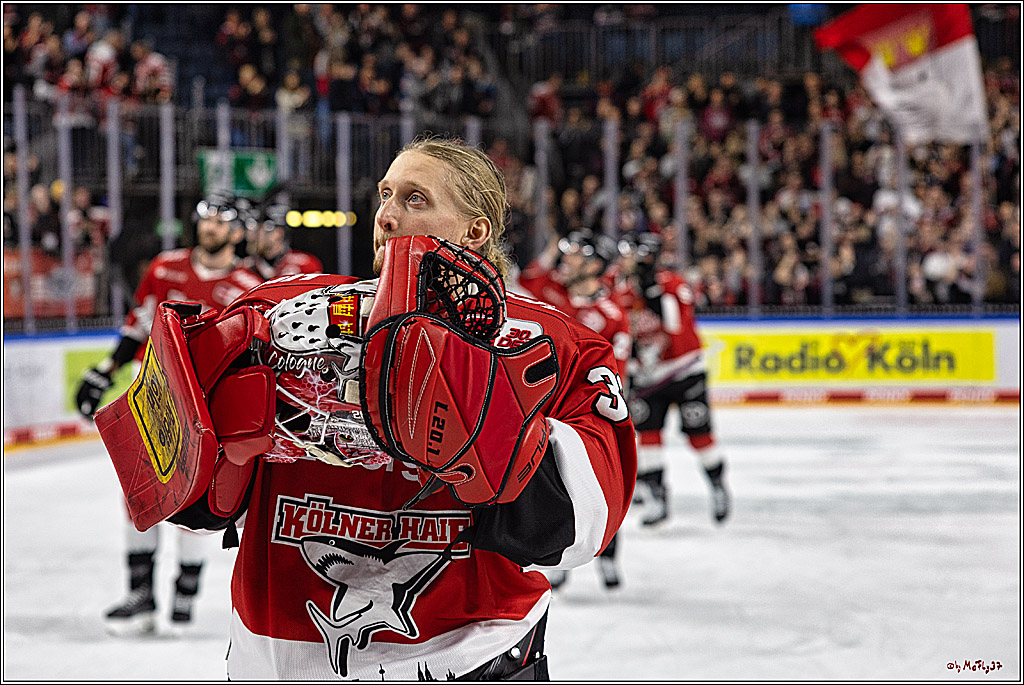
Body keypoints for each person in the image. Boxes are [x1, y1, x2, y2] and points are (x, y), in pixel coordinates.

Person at [151, 137, 637, 679]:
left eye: (414, 199)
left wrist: (480, 423)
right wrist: (221, 437)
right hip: (280, 656)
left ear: (475, 230)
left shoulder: (550, 342)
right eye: (385, 195)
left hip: (472, 653)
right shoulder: (275, 312)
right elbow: (181, 497)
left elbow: (584, 525)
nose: (386, 215)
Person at [75, 192, 263, 635]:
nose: (209, 228)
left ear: (237, 233)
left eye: (220, 222)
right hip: (155, 399)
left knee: (194, 501)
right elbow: (139, 323)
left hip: (208, 409)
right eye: (205, 219)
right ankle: (140, 597)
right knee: (141, 494)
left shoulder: (250, 286)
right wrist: (107, 368)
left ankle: (184, 597)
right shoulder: (164, 268)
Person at [518, 228, 632, 591]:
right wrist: (550, 253)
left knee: (597, 489)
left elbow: (616, 378)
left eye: (576, 254)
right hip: (545, 413)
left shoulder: (610, 315)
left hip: (588, 418)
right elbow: (525, 280)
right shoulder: (551, 292)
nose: (566, 260)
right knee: (552, 488)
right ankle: (559, 557)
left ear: (596, 264)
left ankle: (609, 556)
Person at [617, 232, 731, 526]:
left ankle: (717, 485)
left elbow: (674, 325)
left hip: (683, 370)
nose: (625, 259)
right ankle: (657, 497)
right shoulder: (621, 288)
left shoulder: (673, 284)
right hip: (648, 375)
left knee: (699, 435)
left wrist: (652, 291)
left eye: (632, 254)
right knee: (649, 438)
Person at [242, 201, 323, 279]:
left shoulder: (304, 264)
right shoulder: (245, 267)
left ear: (278, 234)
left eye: (258, 231)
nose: (250, 237)